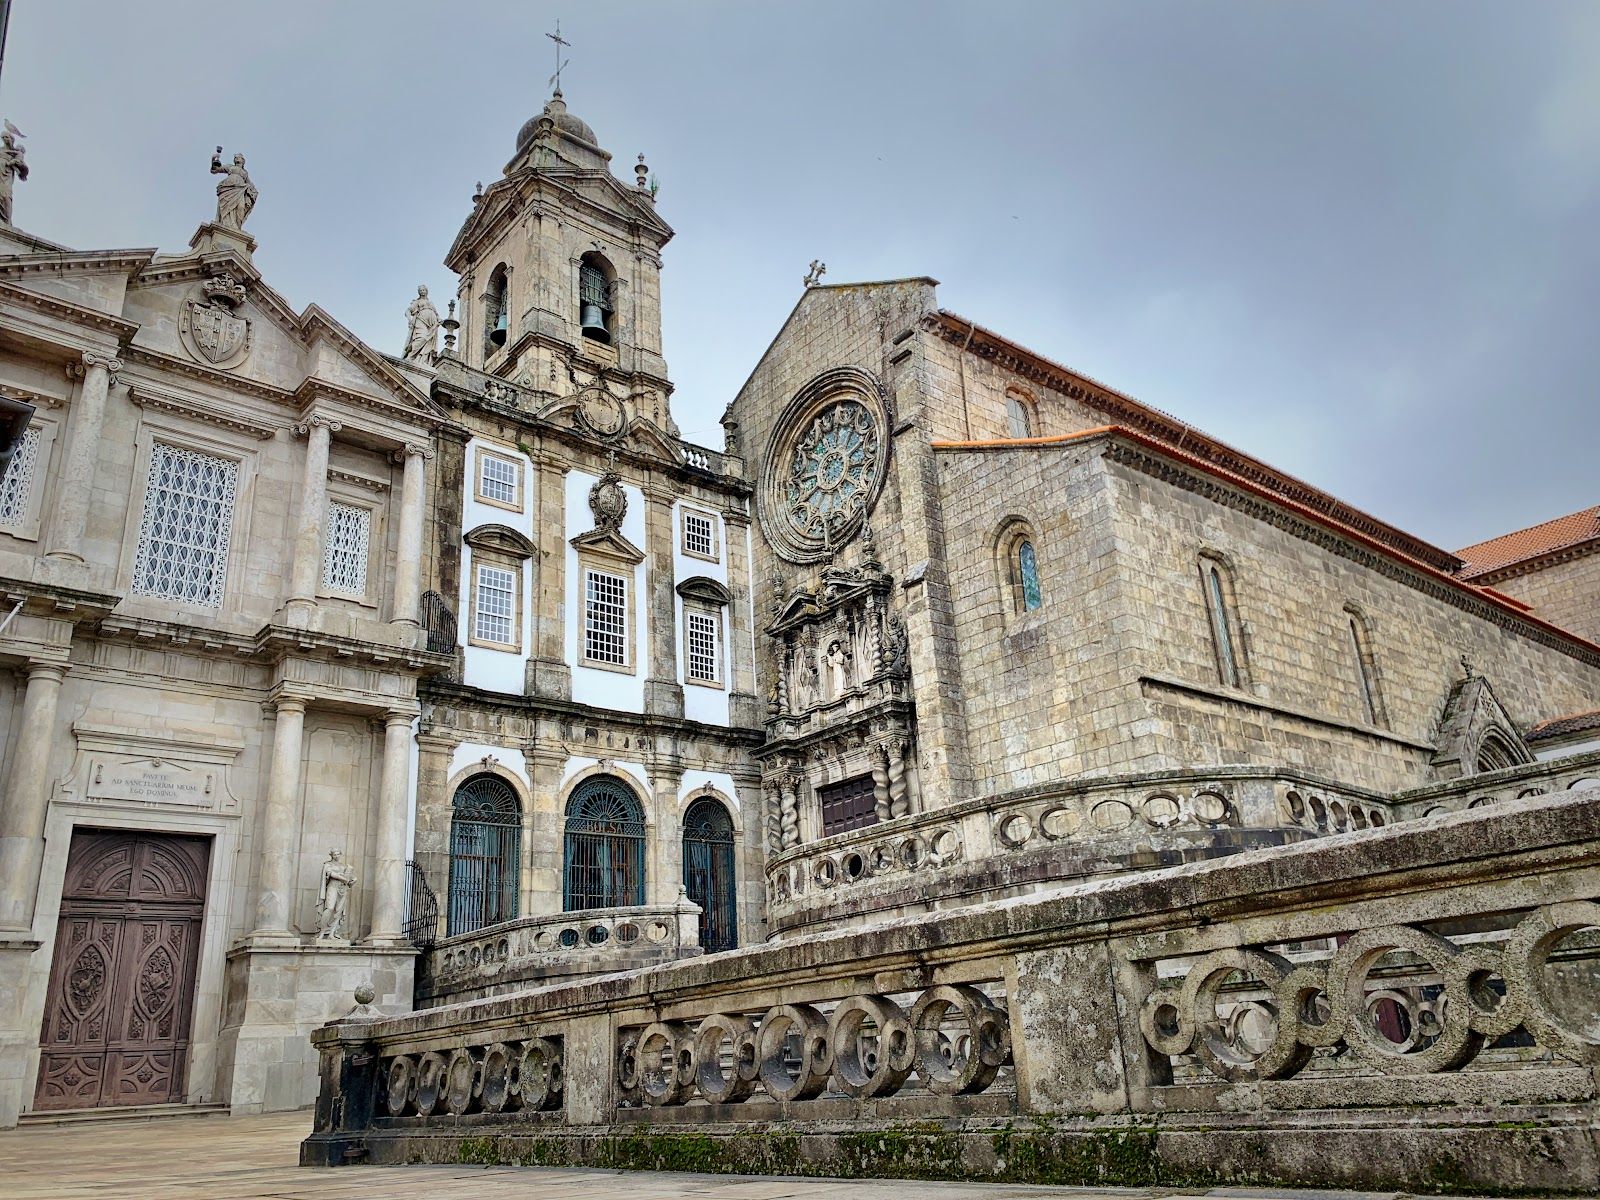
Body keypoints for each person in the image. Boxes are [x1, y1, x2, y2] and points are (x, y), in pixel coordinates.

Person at [210, 147, 258, 231]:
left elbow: (250, 184)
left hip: (240, 189)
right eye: (235, 157)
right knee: (227, 205)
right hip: (228, 187)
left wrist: (254, 192)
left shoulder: (245, 173)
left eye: (238, 157)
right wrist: (213, 159)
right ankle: (226, 224)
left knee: (241, 207)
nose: (236, 158)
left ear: (243, 161)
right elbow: (216, 170)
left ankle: (236, 226)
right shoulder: (230, 167)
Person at [316, 848, 357, 941]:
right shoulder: (328, 864)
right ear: (331, 855)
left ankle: (332, 933)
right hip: (333, 886)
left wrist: (354, 880)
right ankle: (322, 932)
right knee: (329, 908)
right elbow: (331, 874)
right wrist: (343, 878)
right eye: (335, 854)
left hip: (343, 888)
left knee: (339, 911)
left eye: (338, 854)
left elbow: (351, 876)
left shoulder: (344, 866)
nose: (337, 856)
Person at [404, 285, 440, 361]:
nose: (422, 291)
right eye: (420, 290)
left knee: (428, 342)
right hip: (421, 321)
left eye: (423, 290)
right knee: (422, 338)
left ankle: (423, 360)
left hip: (432, 325)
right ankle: (410, 355)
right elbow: (408, 311)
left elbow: (436, 314)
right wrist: (409, 320)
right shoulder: (417, 302)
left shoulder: (431, 302)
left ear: (426, 291)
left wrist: (439, 319)